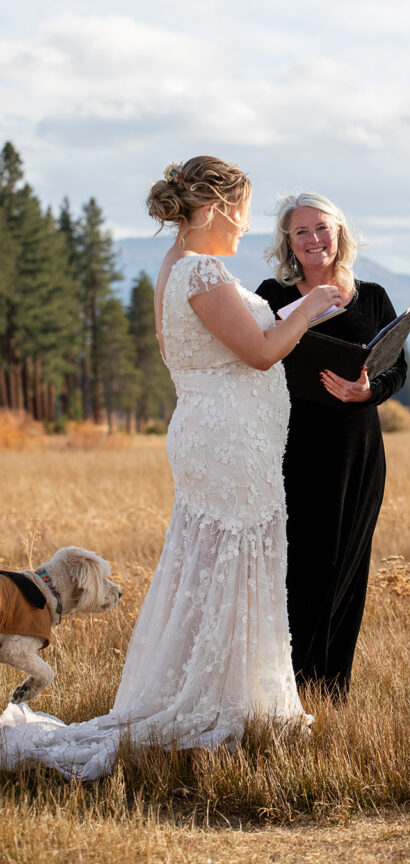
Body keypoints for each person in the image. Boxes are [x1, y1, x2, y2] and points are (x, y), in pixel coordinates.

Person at [0, 156, 341, 779]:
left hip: (222, 438)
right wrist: (310, 304)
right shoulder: (203, 270)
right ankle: (215, 703)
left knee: (214, 563)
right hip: (226, 444)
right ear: (216, 207)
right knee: (228, 563)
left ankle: (227, 693)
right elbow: (262, 353)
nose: (245, 226)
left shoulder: (179, 267)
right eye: (242, 210)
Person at [256, 193, 407, 698]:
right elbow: (253, 363)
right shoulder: (268, 297)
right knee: (300, 566)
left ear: (340, 233)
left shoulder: (374, 297)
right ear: (288, 243)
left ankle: (333, 687)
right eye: (301, 232)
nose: (314, 239)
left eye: (322, 228)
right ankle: (289, 687)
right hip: (294, 448)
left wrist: (370, 391)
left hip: (358, 448)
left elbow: (396, 369)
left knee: (348, 563)